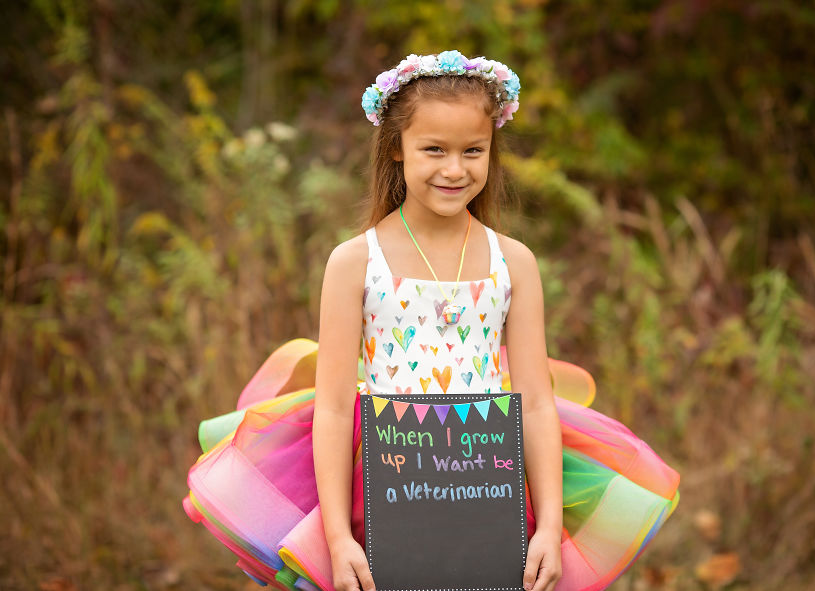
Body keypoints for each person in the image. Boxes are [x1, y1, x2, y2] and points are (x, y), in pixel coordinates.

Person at [183, 50, 679, 591]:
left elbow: (536, 402)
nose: (454, 169)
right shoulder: (355, 262)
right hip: (383, 490)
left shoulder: (513, 262)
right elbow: (331, 407)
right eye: (434, 149)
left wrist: (550, 528)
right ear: (397, 148)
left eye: (474, 150)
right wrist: (337, 538)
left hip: (492, 490)